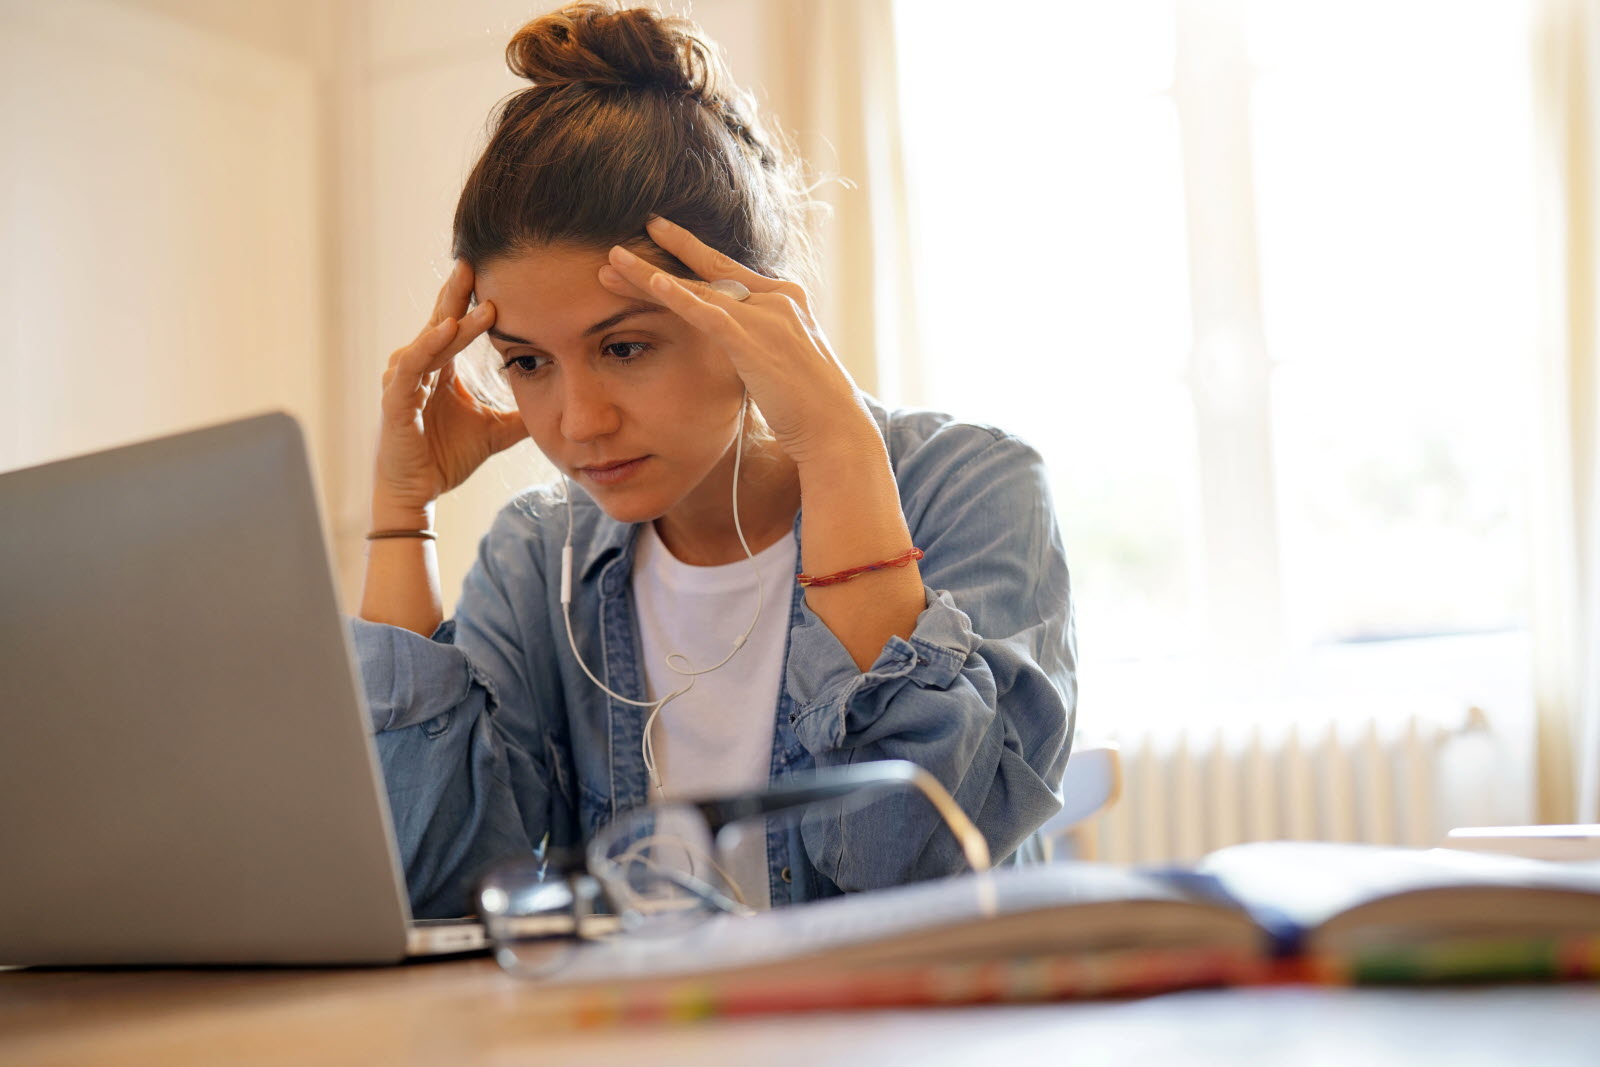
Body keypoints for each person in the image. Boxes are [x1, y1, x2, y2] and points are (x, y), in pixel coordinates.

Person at [353, 0, 1076, 919]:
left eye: (623, 348)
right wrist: (398, 509)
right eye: (527, 362)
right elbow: (425, 886)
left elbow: (912, 866)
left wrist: (839, 446)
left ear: (749, 316)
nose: (576, 421)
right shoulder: (540, 558)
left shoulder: (972, 488)